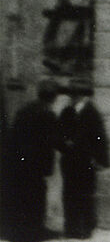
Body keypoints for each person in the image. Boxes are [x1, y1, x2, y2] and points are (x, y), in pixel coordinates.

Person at [5, 79, 60, 242]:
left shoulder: (24, 110)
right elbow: (50, 143)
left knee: (21, 196)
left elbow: (13, 136)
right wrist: (47, 169)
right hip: (35, 165)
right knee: (36, 196)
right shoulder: (48, 113)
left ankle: (19, 231)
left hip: (18, 161)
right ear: (54, 97)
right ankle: (35, 231)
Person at [57, 80, 110, 240]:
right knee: (69, 194)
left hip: (86, 161)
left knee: (86, 194)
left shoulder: (92, 112)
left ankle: (86, 228)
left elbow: (100, 137)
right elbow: (58, 133)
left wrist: (101, 160)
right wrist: (64, 143)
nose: (71, 98)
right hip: (69, 161)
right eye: (70, 95)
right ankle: (71, 227)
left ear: (81, 95)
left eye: (74, 95)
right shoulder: (66, 111)